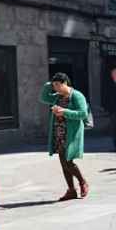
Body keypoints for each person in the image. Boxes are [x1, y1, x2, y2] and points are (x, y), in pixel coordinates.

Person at [40, 72, 89, 201]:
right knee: (64, 162)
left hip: (71, 133)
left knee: (67, 162)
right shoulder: (57, 96)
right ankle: (71, 190)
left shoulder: (77, 96)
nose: (55, 88)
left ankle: (82, 182)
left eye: (57, 85)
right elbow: (43, 97)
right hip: (59, 132)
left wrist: (65, 112)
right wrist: (49, 84)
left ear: (65, 83)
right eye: (54, 85)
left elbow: (83, 113)